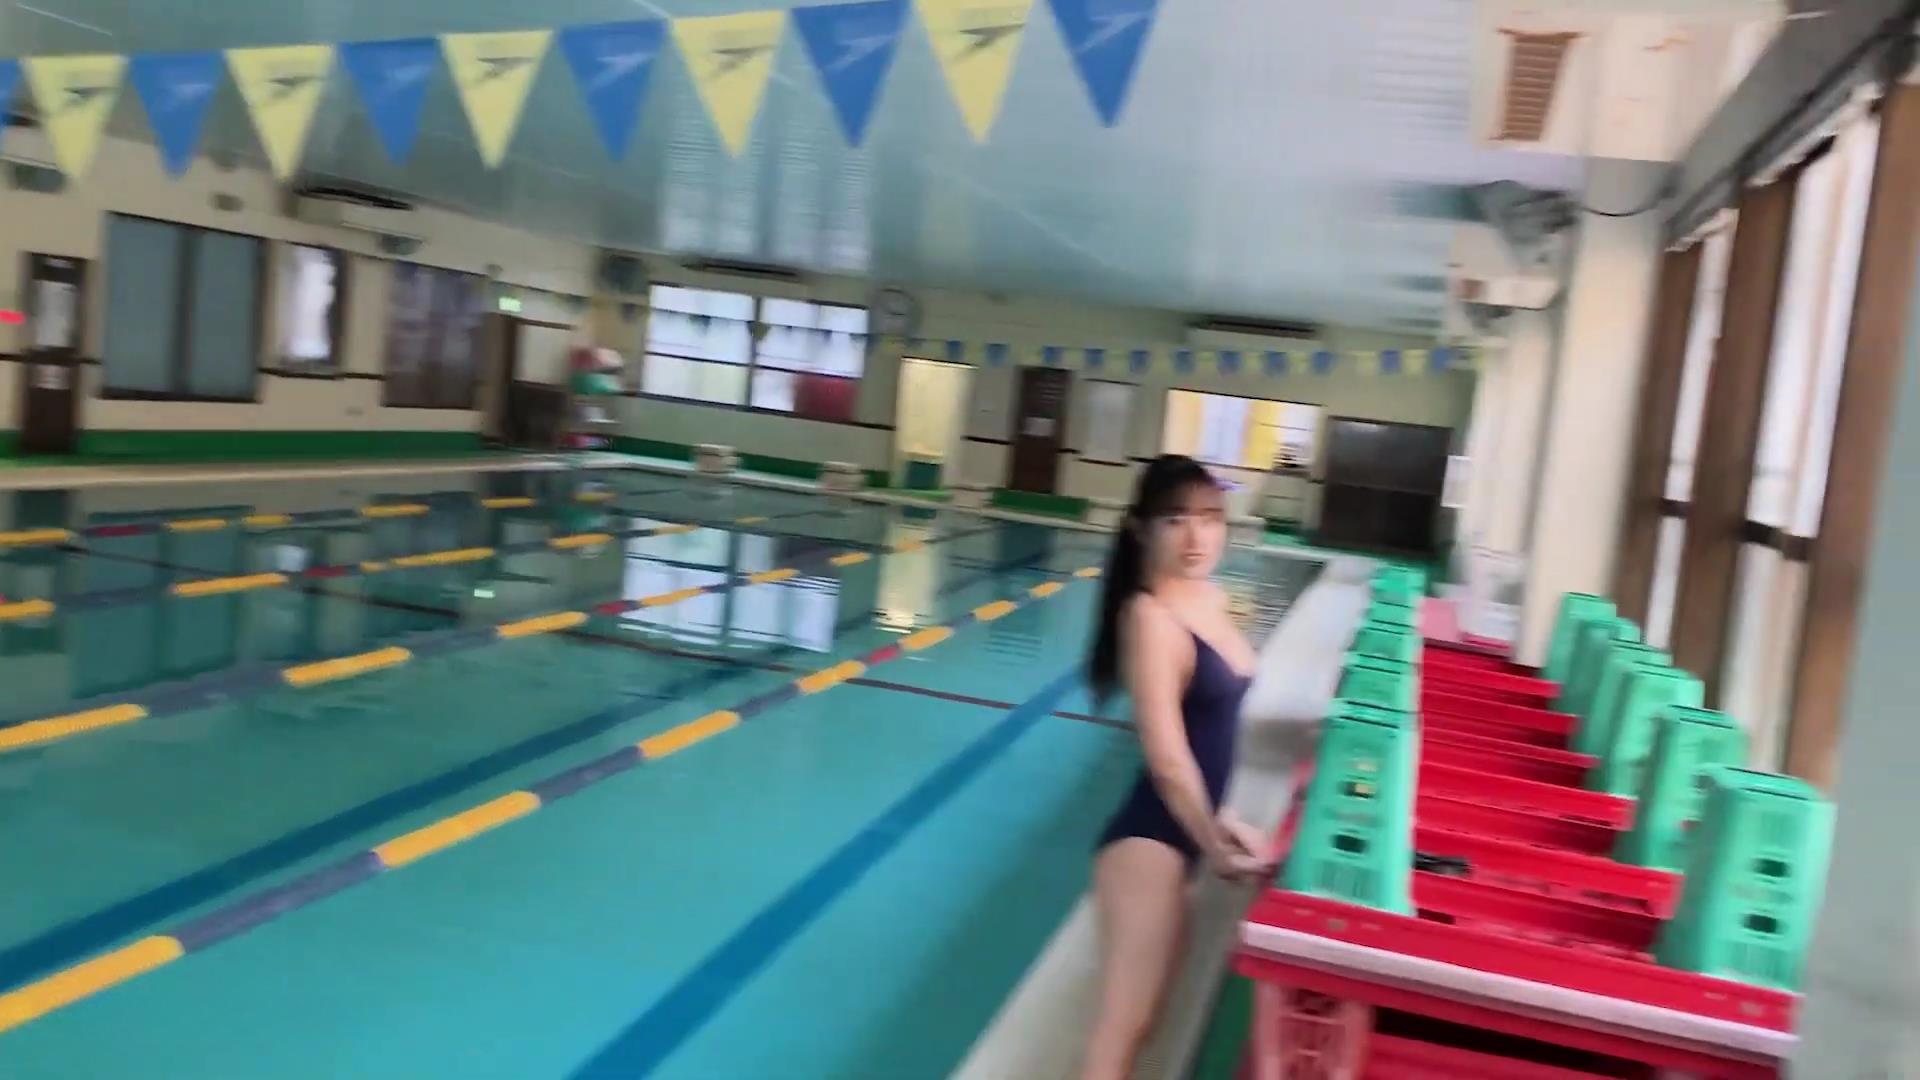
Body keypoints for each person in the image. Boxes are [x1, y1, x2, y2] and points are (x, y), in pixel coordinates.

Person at [1080, 455, 1274, 1080]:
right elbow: (1166, 756)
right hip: (1149, 844)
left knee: (1151, 1023)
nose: (1196, 537)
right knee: (1123, 1026)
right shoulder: (1150, 617)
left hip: (1185, 834)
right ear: (1141, 529)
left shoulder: (1210, 599)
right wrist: (1212, 846)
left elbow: (1207, 736)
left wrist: (1225, 818)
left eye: (1210, 519)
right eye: (1175, 520)